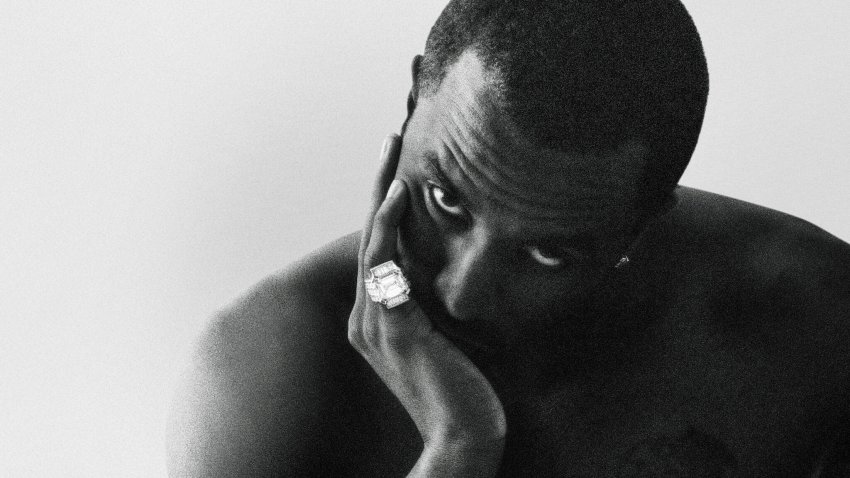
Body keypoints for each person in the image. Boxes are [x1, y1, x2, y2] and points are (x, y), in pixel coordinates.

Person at [166, 0, 850, 476]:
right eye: (445, 200)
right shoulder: (273, 371)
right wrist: (459, 448)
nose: (460, 295)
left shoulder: (812, 327)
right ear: (413, 101)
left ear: (640, 225)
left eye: (549, 253)